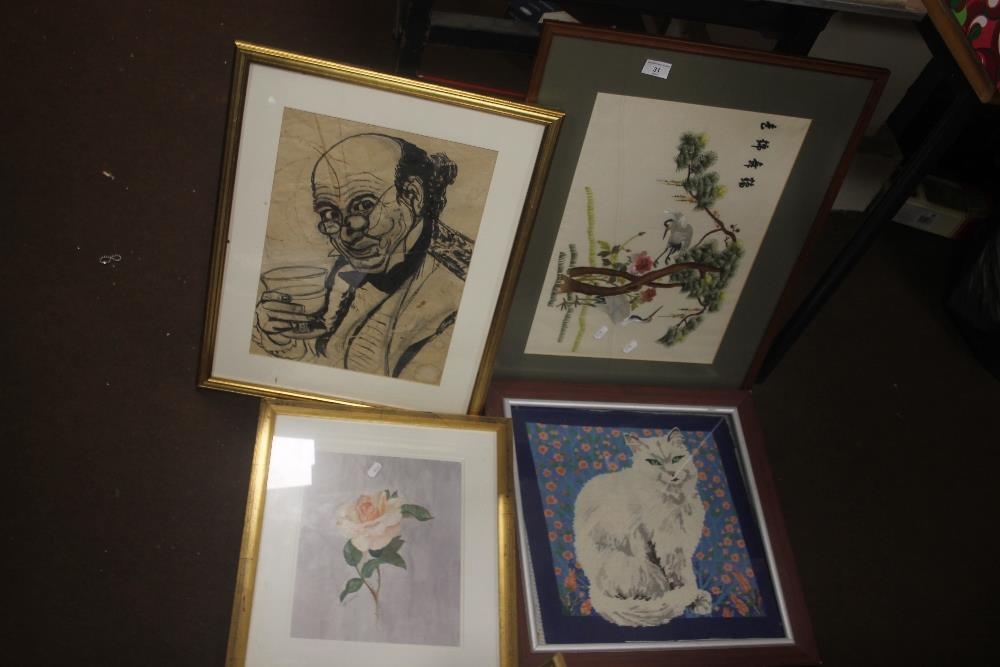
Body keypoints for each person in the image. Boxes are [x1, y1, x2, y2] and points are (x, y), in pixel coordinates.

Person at [252, 132, 471, 384]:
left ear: (412, 196)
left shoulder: (458, 297)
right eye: (330, 214)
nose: (345, 235)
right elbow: (325, 357)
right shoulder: (347, 270)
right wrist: (281, 338)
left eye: (364, 206)